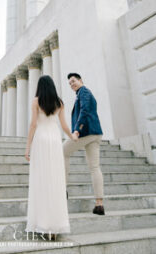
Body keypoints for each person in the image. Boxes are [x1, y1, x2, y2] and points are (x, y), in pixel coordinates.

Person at [24, 75, 76, 239]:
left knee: (41, 180)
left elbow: (33, 125)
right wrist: (72, 136)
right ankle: (55, 227)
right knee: (55, 180)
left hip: (41, 140)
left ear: (40, 87)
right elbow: (65, 125)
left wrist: (28, 147)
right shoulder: (59, 103)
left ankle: (43, 224)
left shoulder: (36, 101)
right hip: (54, 140)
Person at [63, 72, 105, 215]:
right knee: (94, 167)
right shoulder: (83, 93)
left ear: (80, 80)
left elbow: (85, 110)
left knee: (63, 151)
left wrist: (77, 130)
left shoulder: (84, 92)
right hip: (96, 133)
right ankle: (99, 204)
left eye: (73, 81)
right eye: (69, 83)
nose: (72, 84)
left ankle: (62, 190)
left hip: (86, 132)